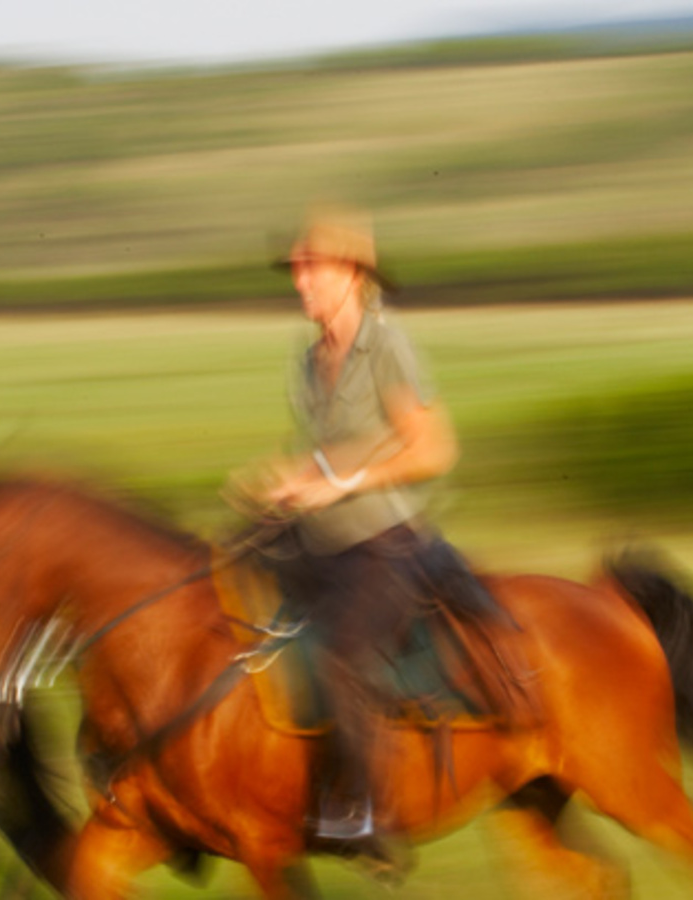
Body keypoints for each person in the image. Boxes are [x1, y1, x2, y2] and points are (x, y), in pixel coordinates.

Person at [242, 205, 459, 855]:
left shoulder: (387, 347)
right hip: (321, 535)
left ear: (354, 273)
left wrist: (338, 482)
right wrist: (288, 478)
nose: (300, 282)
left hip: (385, 543)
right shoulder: (308, 359)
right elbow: (328, 449)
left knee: (340, 656)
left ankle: (369, 810)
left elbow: (433, 450)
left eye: (313, 269)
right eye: (298, 271)